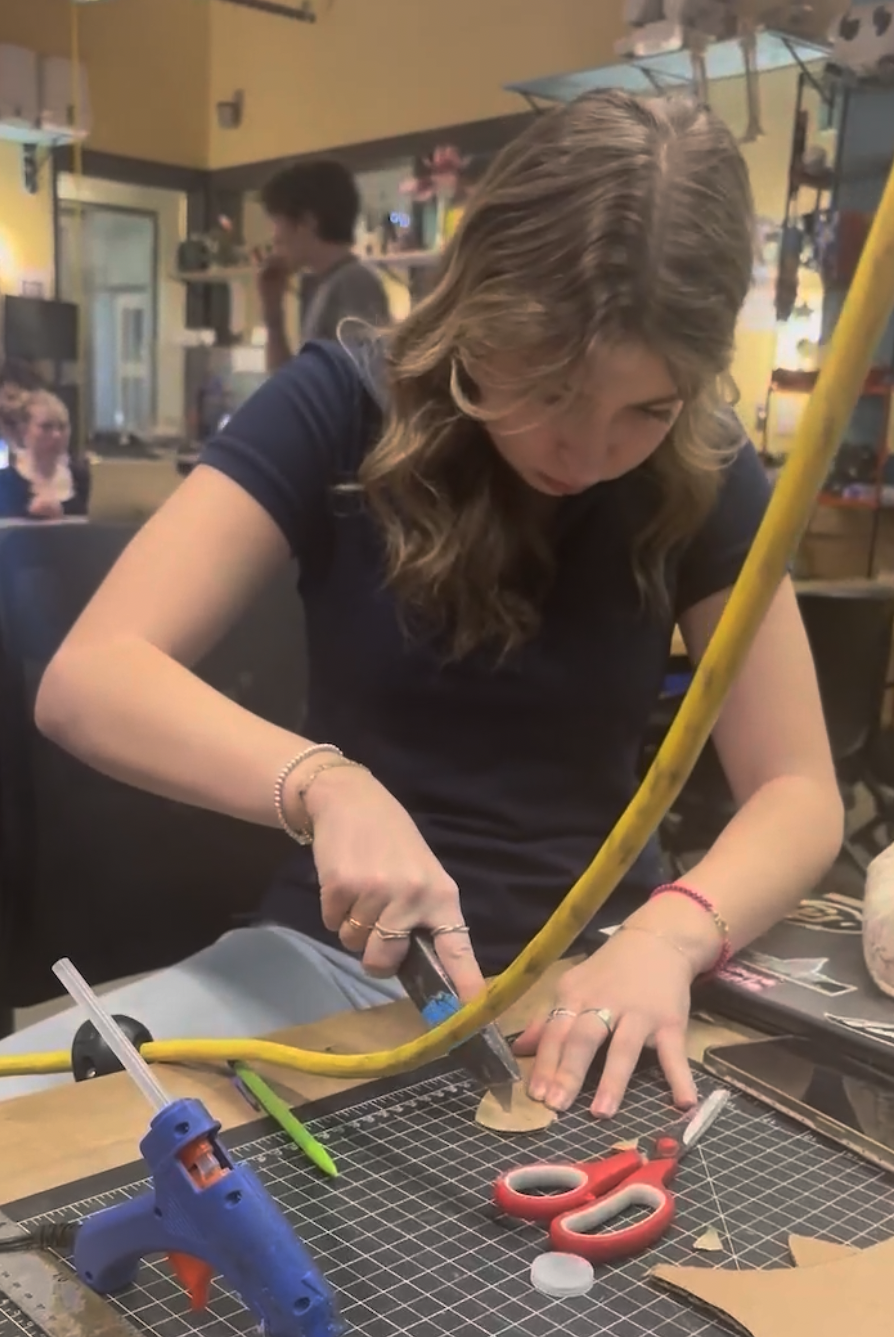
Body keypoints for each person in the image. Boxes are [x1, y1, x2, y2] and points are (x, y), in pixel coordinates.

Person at [25, 91, 842, 1117]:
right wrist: (324, 784)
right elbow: (89, 677)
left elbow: (799, 788)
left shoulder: (705, 468)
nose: (589, 452)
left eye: (647, 408)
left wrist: (670, 936)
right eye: (552, 388)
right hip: (338, 967)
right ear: (477, 307)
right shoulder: (340, 403)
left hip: (598, 972)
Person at [257, 158, 390, 371]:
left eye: (277, 222)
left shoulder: (353, 283)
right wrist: (273, 317)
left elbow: (362, 381)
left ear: (307, 222)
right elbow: (290, 386)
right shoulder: (328, 284)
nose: (274, 237)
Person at [0, 390, 90, 521]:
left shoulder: (82, 478)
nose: (57, 435)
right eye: (46, 427)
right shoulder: (5, 482)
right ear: (24, 430)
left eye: (62, 427)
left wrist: (61, 518)